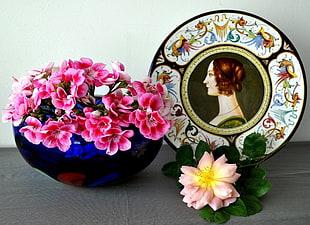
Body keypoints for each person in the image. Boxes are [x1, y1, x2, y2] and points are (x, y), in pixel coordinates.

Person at [203, 57, 246, 128]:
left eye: (210, 74)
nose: (205, 81)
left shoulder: (234, 122)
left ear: (224, 78)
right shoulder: (226, 116)